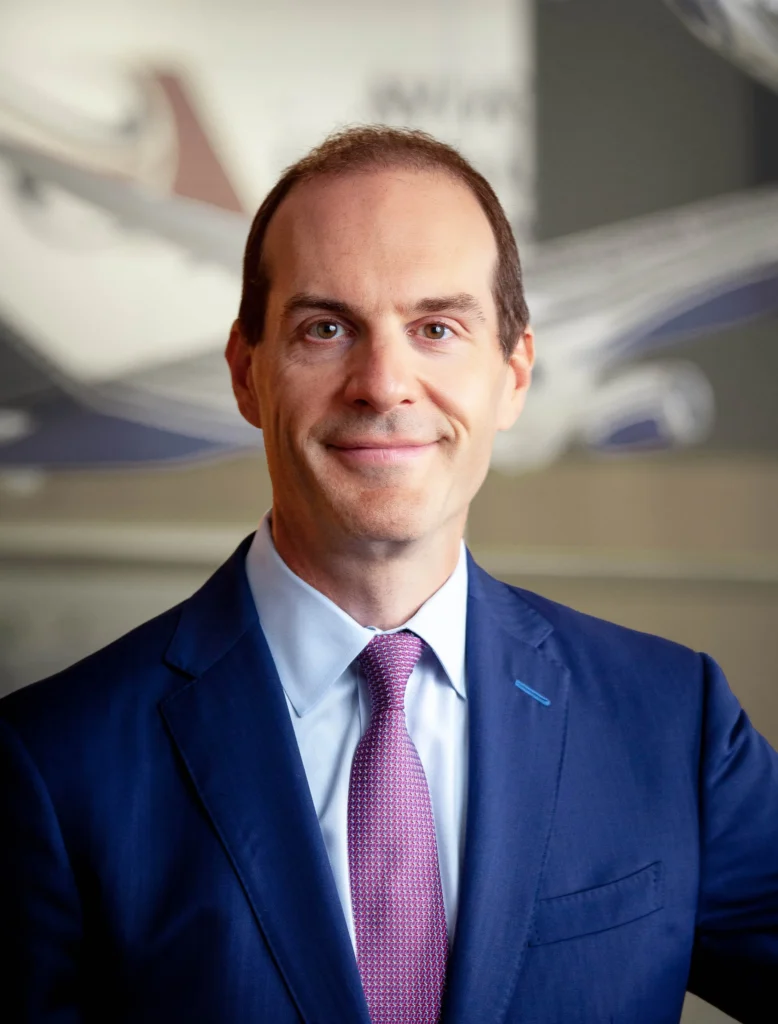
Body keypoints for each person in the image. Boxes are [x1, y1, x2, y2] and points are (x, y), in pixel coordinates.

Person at [1, 125, 776, 1024]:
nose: (383, 383)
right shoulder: (51, 765)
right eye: (326, 328)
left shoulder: (675, 724)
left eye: (437, 328)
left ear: (514, 375)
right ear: (247, 375)